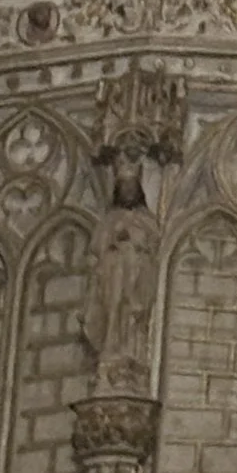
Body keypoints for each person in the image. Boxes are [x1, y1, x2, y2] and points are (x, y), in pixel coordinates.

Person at [85, 145, 161, 393]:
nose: (128, 191)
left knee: (132, 315)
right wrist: (114, 241)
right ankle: (111, 352)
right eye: (124, 187)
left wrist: (135, 240)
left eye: (132, 187)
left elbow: (153, 243)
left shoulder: (147, 219)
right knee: (114, 310)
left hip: (136, 277)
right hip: (113, 275)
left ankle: (131, 357)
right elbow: (97, 248)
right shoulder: (109, 219)